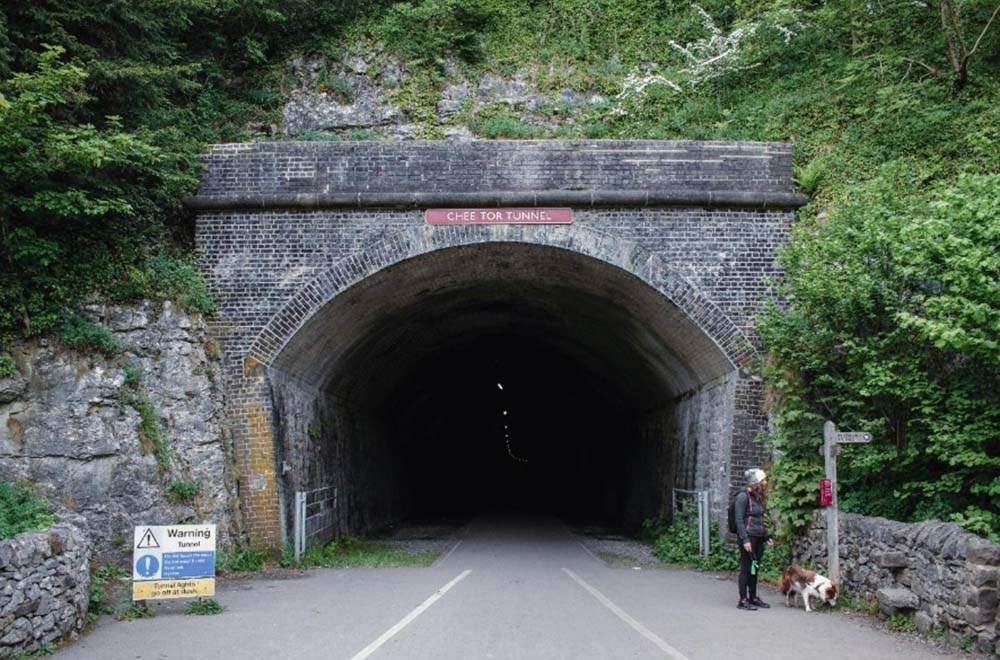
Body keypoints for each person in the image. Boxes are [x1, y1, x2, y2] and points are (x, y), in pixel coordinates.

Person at [735, 468, 773, 611]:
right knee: (746, 568)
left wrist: (766, 536)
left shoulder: (758, 497)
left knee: (754, 568)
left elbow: (760, 519)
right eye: (763, 480)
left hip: (758, 538)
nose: (766, 482)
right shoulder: (742, 497)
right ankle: (743, 599)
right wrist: (745, 540)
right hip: (748, 538)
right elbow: (739, 520)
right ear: (756, 482)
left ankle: (753, 597)